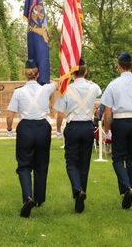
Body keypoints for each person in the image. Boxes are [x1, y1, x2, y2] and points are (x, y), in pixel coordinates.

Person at [7, 59, 57, 218]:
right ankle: (39, 199)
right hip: (42, 128)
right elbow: (55, 83)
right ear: (38, 74)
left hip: (26, 128)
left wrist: (9, 129)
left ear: (25, 74)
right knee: (41, 165)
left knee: (24, 165)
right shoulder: (47, 88)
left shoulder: (18, 92)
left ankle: (28, 196)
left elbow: (10, 115)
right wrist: (46, 77)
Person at [102, 52, 132, 210]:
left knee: (117, 158)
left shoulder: (113, 84)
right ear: (131, 66)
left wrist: (107, 129)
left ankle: (127, 188)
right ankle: (129, 189)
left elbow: (107, 111)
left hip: (120, 122)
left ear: (119, 66)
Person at [54, 58, 101, 214]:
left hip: (73, 127)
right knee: (84, 163)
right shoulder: (93, 88)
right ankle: (81, 193)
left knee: (71, 162)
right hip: (88, 127)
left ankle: (77, 190)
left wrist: (59, 130)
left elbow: (60, 114)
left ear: (72, 72)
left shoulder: (66, 89)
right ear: (86, 71)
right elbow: (98, 91)